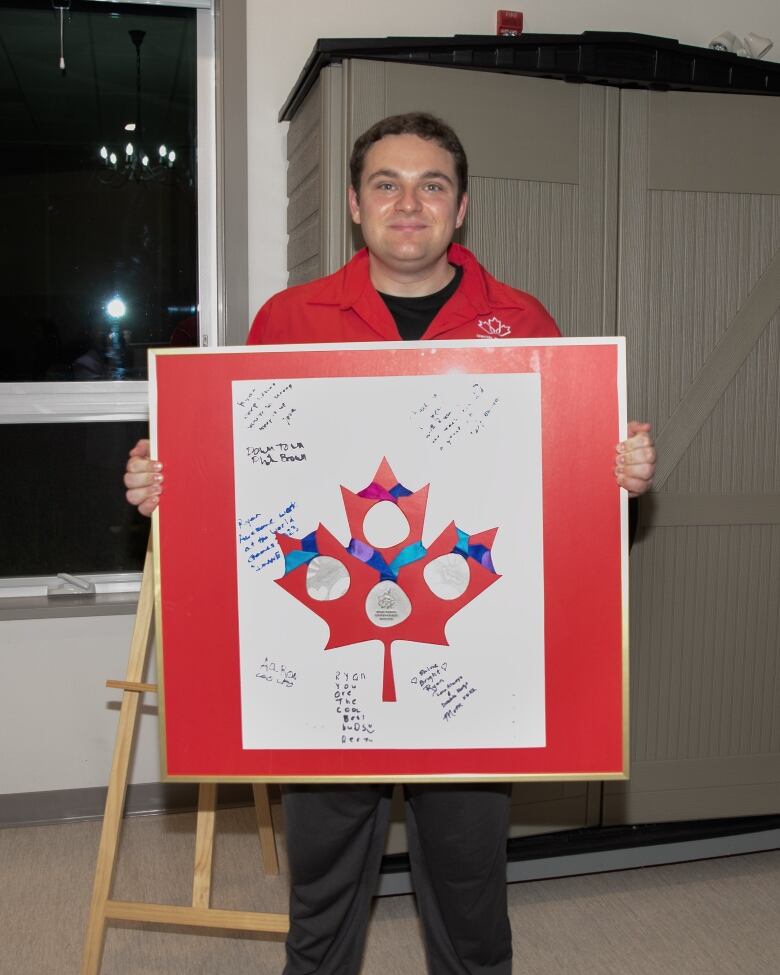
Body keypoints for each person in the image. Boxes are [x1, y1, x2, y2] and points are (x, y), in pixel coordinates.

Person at [125, 113, 656, 975]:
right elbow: (246, 482)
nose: (408, 203)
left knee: (470, 890)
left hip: (469, 666)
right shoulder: (289, 319)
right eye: (386, 183)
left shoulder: (523, 321)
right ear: (354, 203)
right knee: (323, 896)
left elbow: (550, 493)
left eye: (431, 184)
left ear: (462, 206)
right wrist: (167, 489)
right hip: (321, 663)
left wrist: (615, 478)